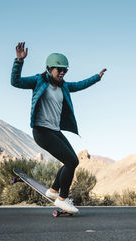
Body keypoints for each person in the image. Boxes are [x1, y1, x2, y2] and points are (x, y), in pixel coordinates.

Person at [10, 42, 106, 213]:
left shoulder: (64, 87)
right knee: (71, 161)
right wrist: (19, 61)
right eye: (58, 70)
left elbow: (80, 84)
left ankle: (53, 191)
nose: (62, 73)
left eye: (65, 70)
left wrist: (97, 77)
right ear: (49, 69)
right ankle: (62, 199)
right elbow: (15, 82)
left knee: (72, 161)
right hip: (41, 131)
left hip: (55, 131)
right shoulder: (38, 81)